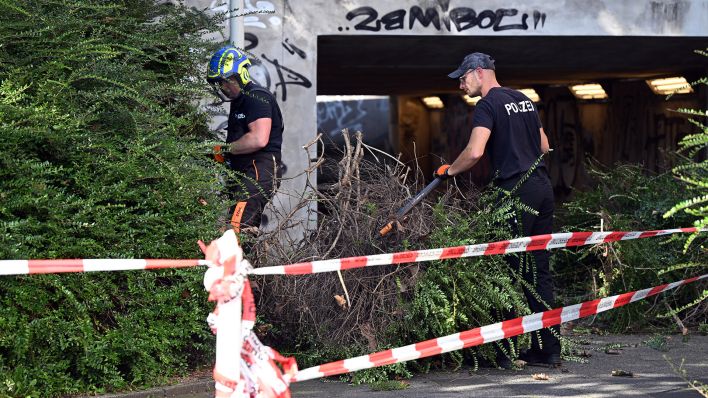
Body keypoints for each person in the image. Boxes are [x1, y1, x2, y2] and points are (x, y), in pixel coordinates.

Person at [434, 52, 560, 368]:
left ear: (479, 73)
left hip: (515, 192)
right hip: (542, 188)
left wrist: (449, 171)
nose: (461, 86)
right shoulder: (524, 100)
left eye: (463, 78)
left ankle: (500, 354)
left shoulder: (487, 106)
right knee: (538, 270)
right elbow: (544, 146)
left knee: (501, 270)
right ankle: (548, 351)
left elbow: (475, 151)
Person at [207, 45, 284, 234]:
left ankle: (240, 262)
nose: (223, 87)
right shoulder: (239, 101)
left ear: (240, 75)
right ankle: (244, 262)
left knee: (237, 229)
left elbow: (258, 139)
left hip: (258, 170)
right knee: (233, 229)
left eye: (226, 81)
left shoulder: (256, 97)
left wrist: (223, 149)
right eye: (219, 83)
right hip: (245, 172)